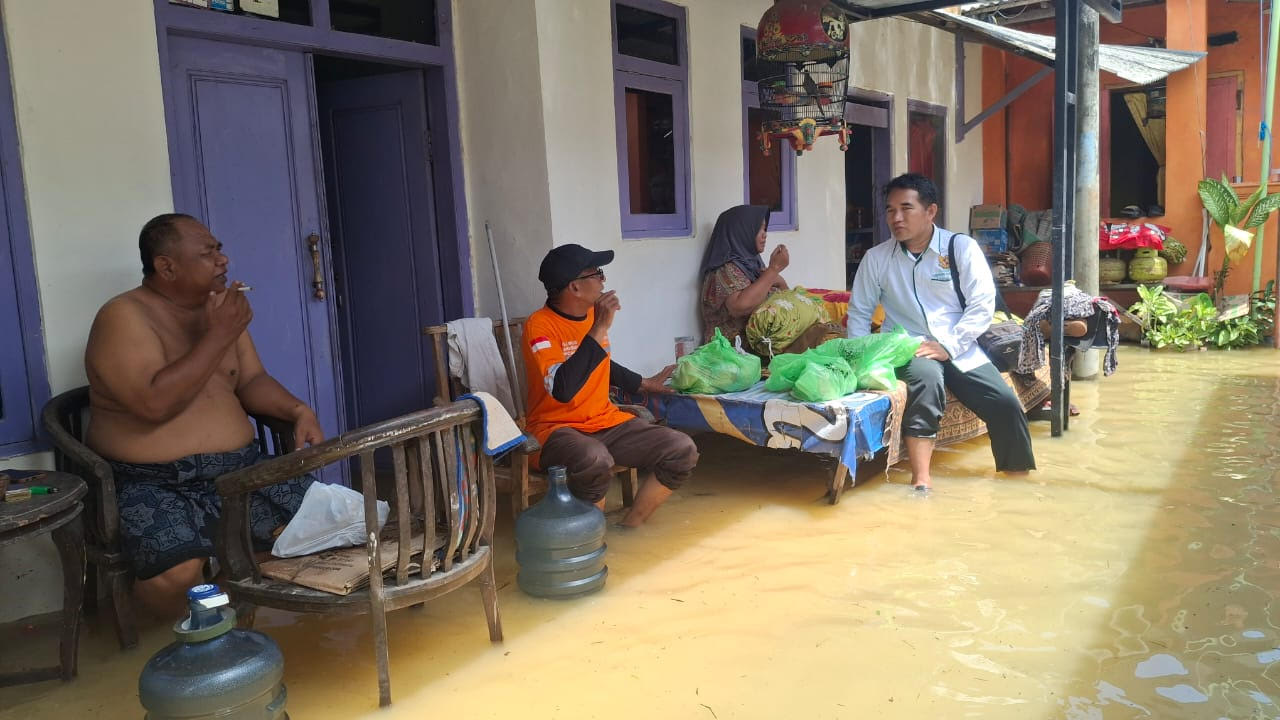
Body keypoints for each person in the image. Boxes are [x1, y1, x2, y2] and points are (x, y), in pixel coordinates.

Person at [85, 213, 323, 617]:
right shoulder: (124, 316)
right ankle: (201, 623)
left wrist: (297, 408)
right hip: (157, 481)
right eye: (208, 253)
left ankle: (227, 603)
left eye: (220, 249)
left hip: (239, 470)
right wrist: (219, 334)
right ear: (167, 266)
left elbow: (251, 380)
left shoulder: (219, 312)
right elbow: (153, 405)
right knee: (174, 577)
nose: (223, 261)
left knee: (330, 526)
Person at [847, 174, 1035, 491]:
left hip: (960, 344)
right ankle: (922, 480)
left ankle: (1018, 480)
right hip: (907, 346)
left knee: (1005, 402)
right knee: (927, 380)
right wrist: (858, 360)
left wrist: (949, 345)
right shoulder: (877, 258)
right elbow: (859, 313)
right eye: (890, 210)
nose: (896, 218)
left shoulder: (960, 248)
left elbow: (981, 305)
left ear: (930, 211)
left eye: (906, 208)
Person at [522, 243, 699, 527]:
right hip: (556, 429)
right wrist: (599, 329)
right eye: (597, 273)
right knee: (595, 460)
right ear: (575, 288)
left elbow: (604, 366)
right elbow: (562, 389)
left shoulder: (592, 318)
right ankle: (593, 543)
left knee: (682, 449)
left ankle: (630, 528)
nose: (604, 281)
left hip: (604, 421)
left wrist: (644, 384)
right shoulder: (540, 326)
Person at [699, 205, 832, 355]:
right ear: (741, 231)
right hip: (731, 355)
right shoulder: (724, 270)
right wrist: (773, 269)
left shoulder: (753, 264)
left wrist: (779, 281)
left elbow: (782, 302)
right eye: (759, 229)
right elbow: (739, 307)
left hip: (763, 347)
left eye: (765, 229)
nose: (765, 235)